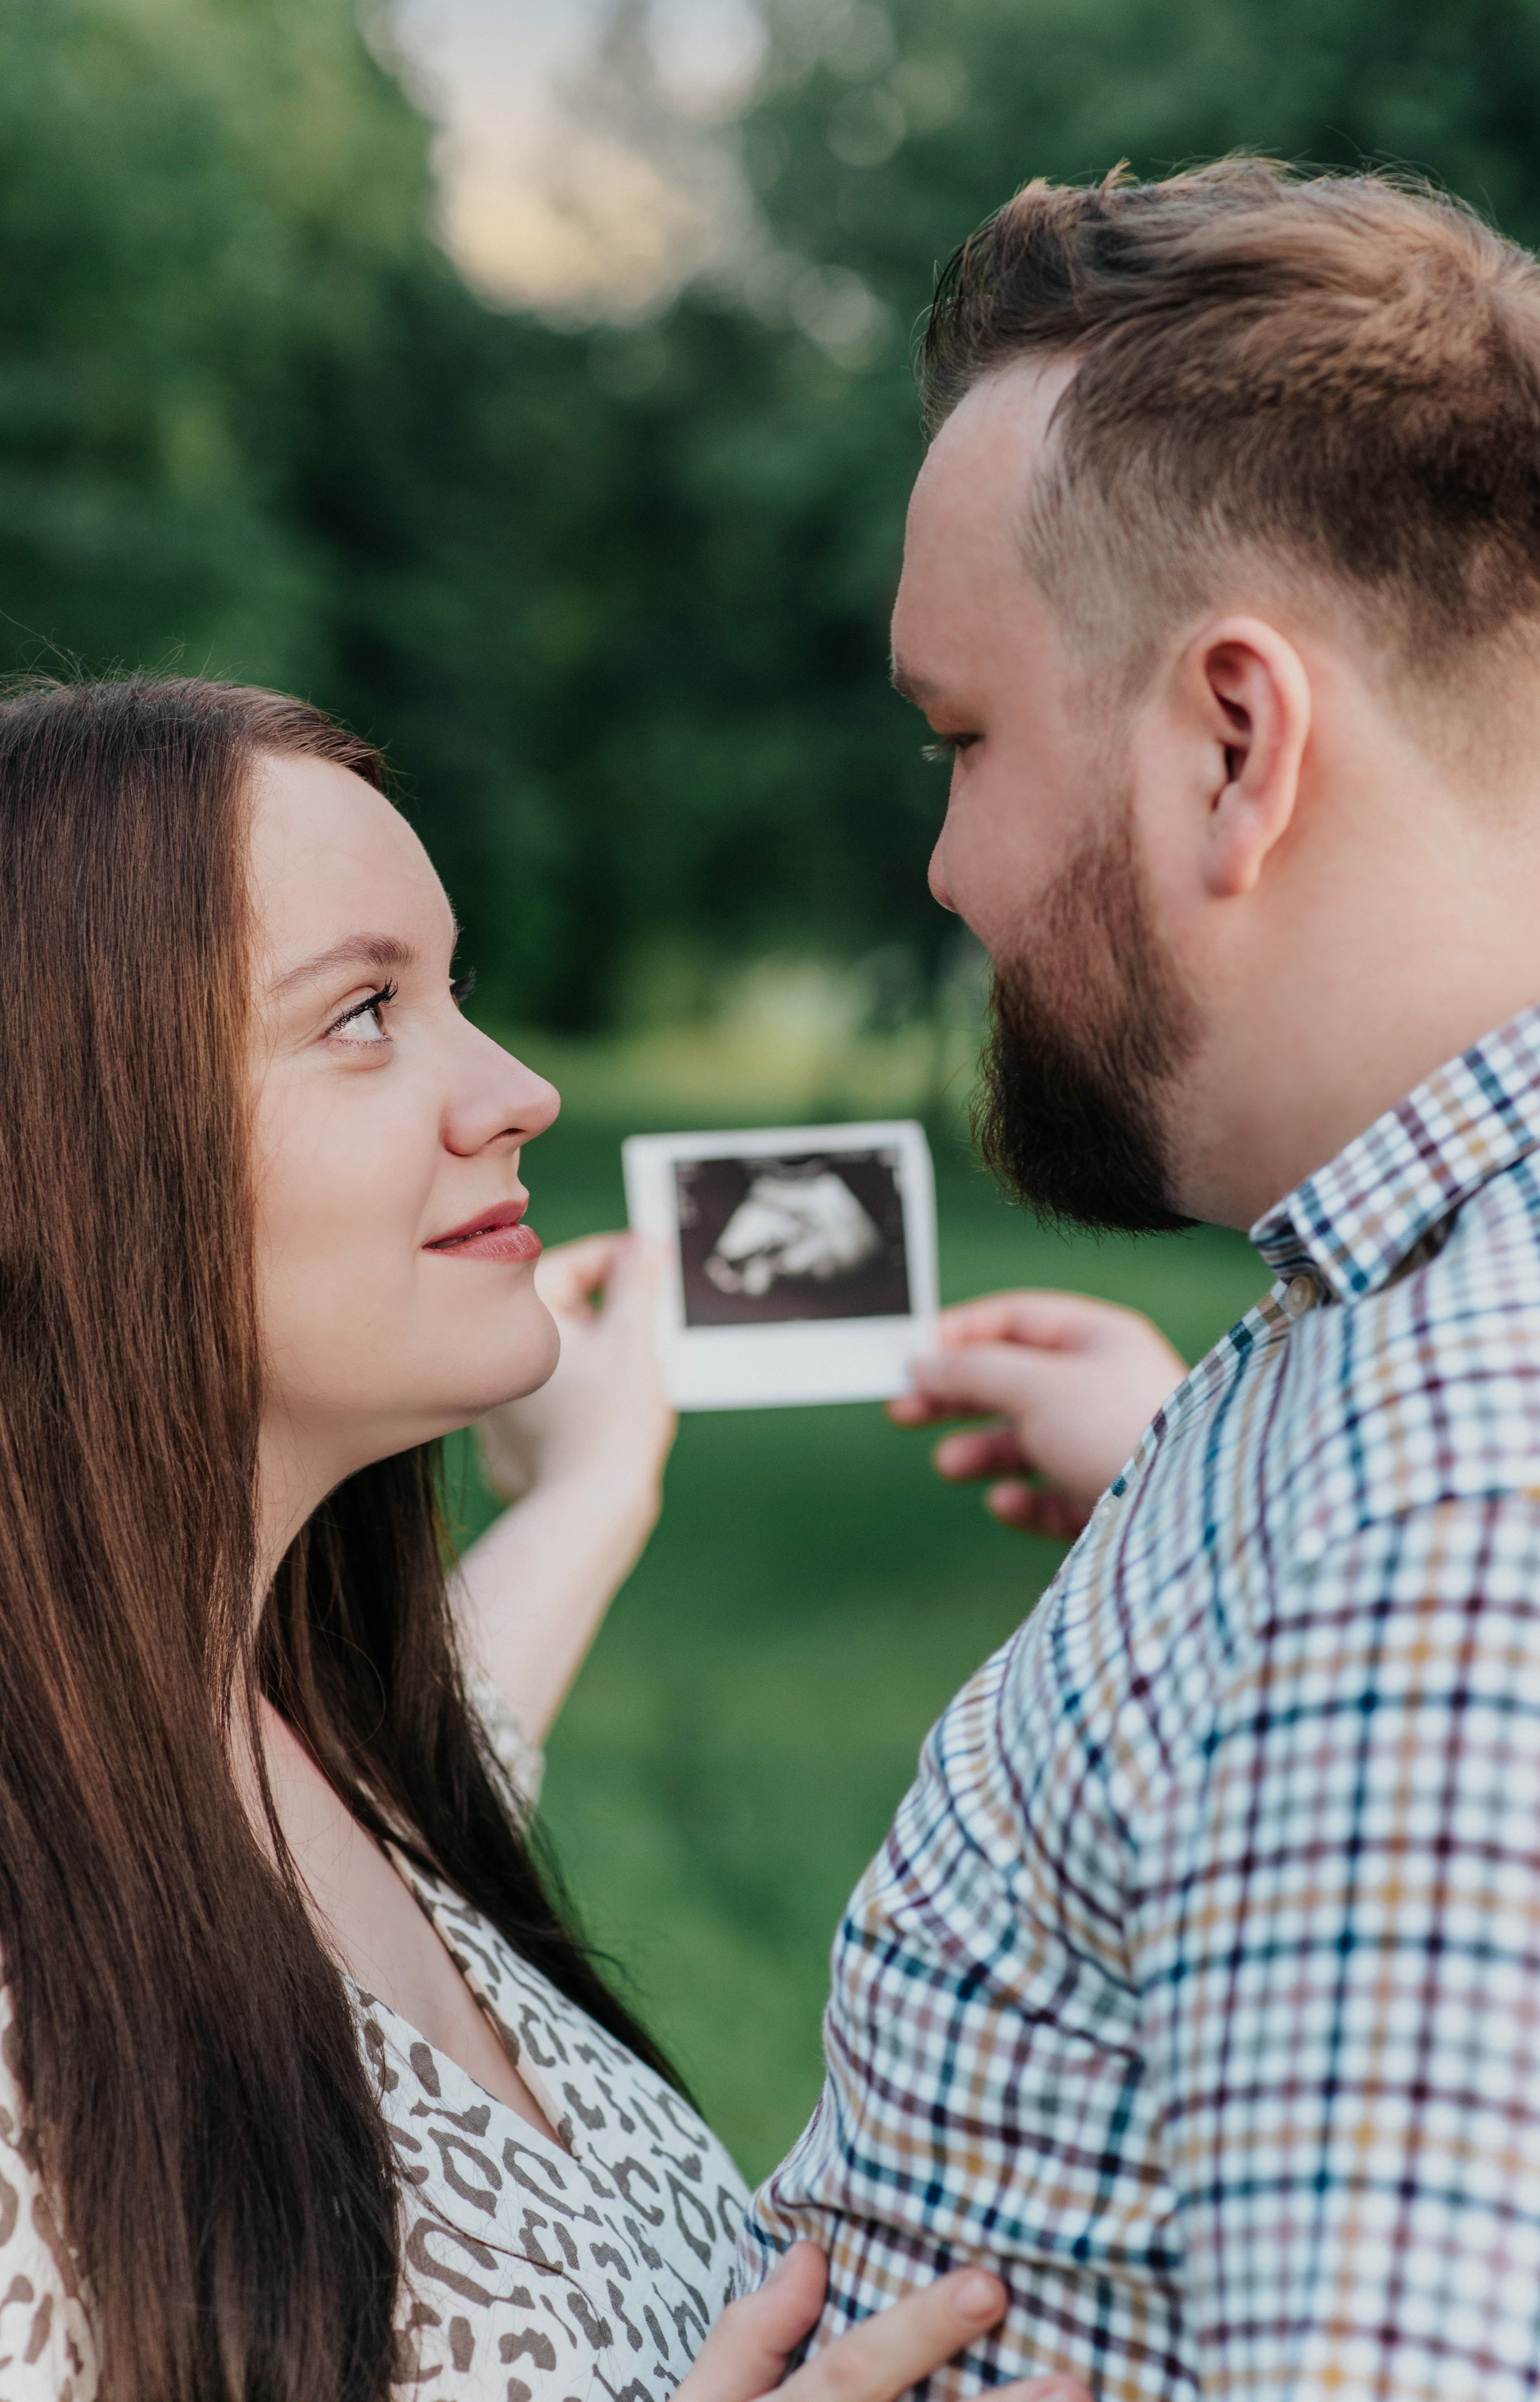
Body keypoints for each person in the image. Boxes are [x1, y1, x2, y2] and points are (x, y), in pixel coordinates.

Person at [742, 160, 1540, 2399]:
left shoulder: (1446, 1538)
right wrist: (1180, 1480)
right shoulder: (1410, 1372)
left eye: (966, 743)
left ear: (1236, 741)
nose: (945, 866)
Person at [0, 675, 1096, 2402]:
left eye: (458, 993)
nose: (516, 1092)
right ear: (56, 1150)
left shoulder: (296, 1759)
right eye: (363, 1011)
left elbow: (438, 1771)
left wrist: (592, 1492)